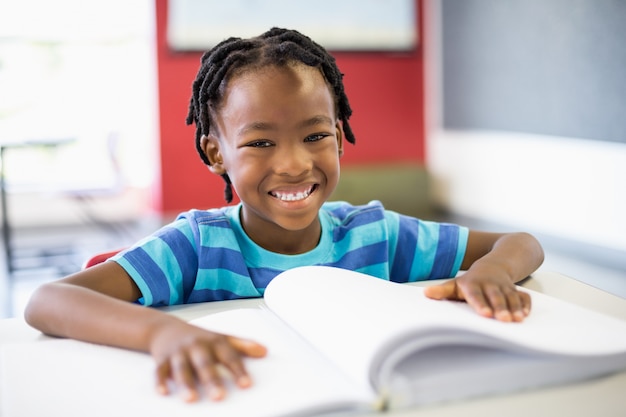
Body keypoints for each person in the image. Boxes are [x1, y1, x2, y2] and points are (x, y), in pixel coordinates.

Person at [25, 27, 544, 403]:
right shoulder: (197, 246)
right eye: (260, 142)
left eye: (316, 136)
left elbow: (521, 242)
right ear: (215, 154)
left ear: (339, 138)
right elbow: (48, 301)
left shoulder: (374, 235)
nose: (295, 164)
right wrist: (163, 334)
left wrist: (492, 270)